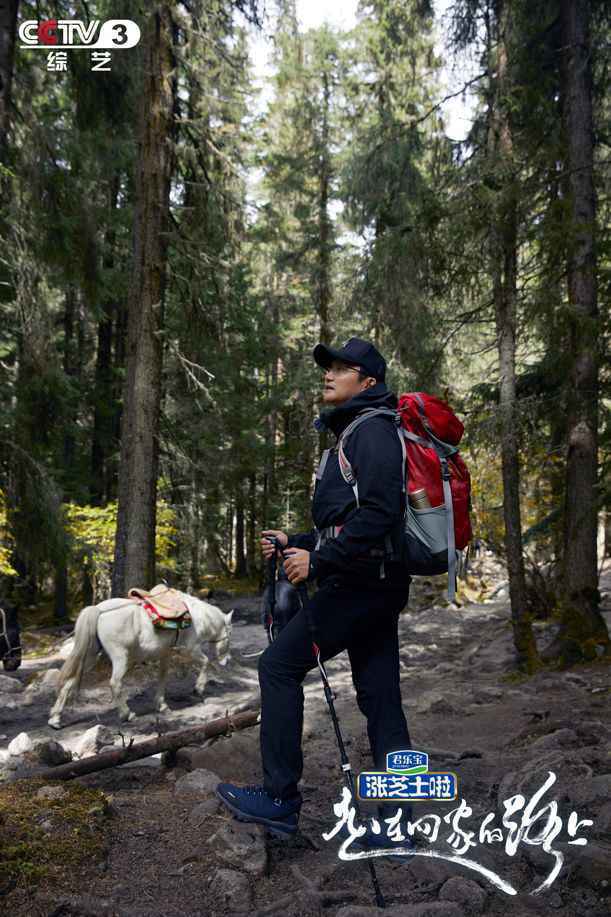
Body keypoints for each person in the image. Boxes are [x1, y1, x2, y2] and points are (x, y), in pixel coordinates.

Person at [217, 338, 415, 850]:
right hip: (376, 583)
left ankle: (280, 800)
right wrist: (298, 543)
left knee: (278, 666)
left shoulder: (371, 432)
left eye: (342, 368)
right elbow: (353, 522)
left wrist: (320, 561)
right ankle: (400, 823)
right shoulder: (358, 430)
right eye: (328, 367)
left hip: (358, 586)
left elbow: (380, 514)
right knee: (381, 700)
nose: (329, 374)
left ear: (367, 383)